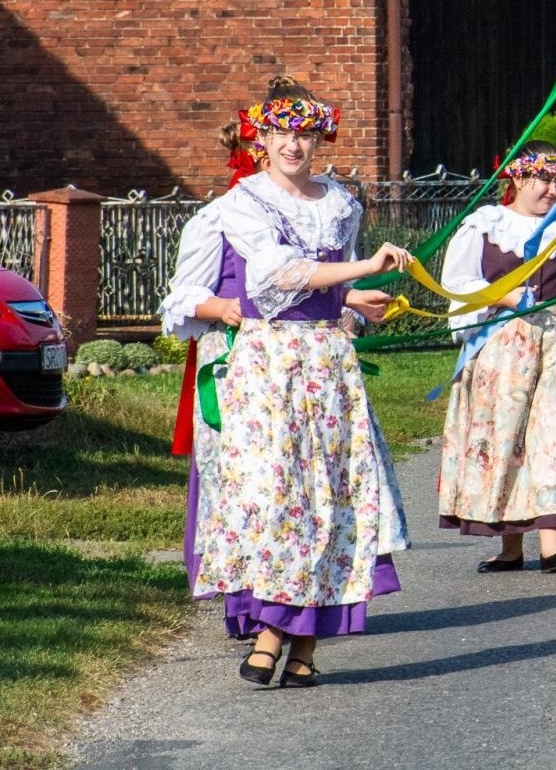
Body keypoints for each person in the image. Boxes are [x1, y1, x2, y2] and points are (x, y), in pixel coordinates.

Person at [193, 76, 412, 689]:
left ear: (321, 138)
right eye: (281, 132)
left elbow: (325, 285)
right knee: (276, 497)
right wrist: (364, 268)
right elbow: (277, 275)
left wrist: (353, 298)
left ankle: (302, 647)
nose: (294, 144)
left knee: (330, 496)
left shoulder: (341, 203)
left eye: (306, 133)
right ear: (259, 139)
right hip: (267, 366)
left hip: (327, 363)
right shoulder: (244, 203)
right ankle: (271, 633)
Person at [436, 141, 556, 574]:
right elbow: (457, 283)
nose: (551, 189)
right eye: (542, 180)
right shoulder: (486, 226)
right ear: (517, 178)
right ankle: (510, 547)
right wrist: (502, 295)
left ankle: (552, 545)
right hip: (502, 348)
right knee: (507, 437)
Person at [160, 121, 259, 615]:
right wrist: (221, 308)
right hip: (233, 362)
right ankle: (243, 592)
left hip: (299, 363)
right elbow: (182, 299)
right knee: (236, 473)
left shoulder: (319, 211)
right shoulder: (217, 220)